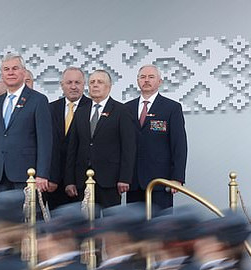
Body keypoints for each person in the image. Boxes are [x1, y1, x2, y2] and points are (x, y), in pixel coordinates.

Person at [64, 70, 136, 207]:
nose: (95, 85)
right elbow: (72, 148)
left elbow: (128, 147)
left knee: (110, 224)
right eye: (92, 82)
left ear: (109, 87)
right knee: (85, 224)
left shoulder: (121, 111)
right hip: (82, 179)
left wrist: (125, 178)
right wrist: (70, 180)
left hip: (110, 180)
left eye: (100, 82)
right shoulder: (81, 111)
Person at [0, 55, 53, 195]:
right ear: (1, 73)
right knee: (1, 217)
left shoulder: (38, 100)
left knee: (27, 216)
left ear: (23, 71)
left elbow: (45, 141)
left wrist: (42, 174)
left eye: (15, 68)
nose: (10, 73)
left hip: (27, 175)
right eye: (6, 69)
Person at [125, 64, 187, 209]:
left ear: (160, 81)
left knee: (160, 228)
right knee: (133, 228)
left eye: (151, 77)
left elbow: (179, 145)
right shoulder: (126, 108)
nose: (146, 80)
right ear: (137, 81)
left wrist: (177, 178)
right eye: (143, 77)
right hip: (133, 182)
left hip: (161, 181)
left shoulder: (171, 108)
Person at [47, 68, 90, 208]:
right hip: (54, 182)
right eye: (69, 82)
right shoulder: (50, 109)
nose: (73, 86)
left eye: (77, 82)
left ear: (84, 85)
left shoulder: (92, 108)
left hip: (82, 182)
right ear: (62, 85)